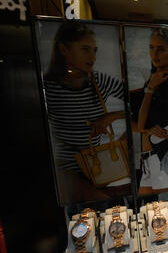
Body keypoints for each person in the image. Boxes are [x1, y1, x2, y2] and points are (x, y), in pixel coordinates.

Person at [43, 22, 128, 204]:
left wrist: (111, 117)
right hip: (66, 168)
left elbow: (139, 104)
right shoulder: (48, 86)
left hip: (97, 165)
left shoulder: (100, 81)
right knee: (107, 206)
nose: (92, 56)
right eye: (85, 49)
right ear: (63, 49)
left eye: (94, 50)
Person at [129, 27, 168, 196]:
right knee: (152, 211)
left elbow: (141, 124)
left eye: (161, 49)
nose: (155, 54)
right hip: (149, 159)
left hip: (161, 159)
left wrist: (149, 89)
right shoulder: (155, 83)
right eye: (151, 48)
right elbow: (140, 125)